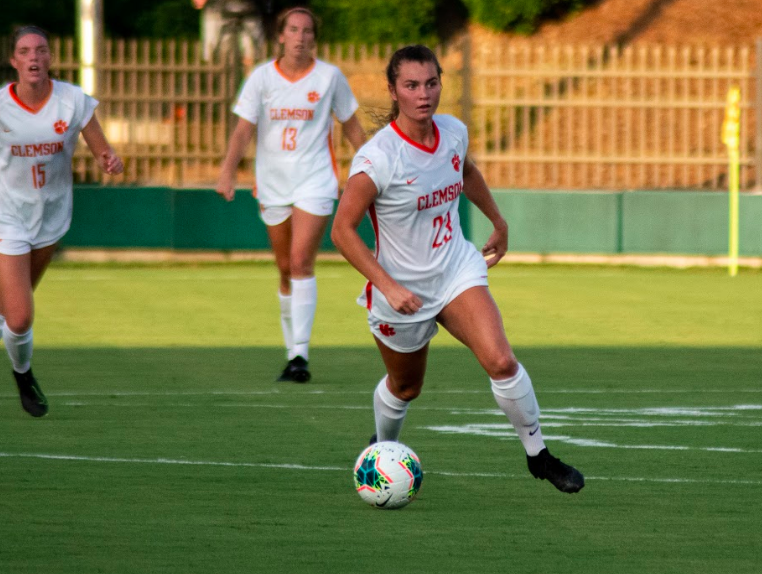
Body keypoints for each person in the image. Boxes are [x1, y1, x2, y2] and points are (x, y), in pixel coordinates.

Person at [331, 45, 585, 493]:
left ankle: (538, 456)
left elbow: (465, 172)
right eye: (411, 85)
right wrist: (388, 287)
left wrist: (498, 220)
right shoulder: (378, 158)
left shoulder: (452, 132)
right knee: (406, 388)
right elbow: (342, 231)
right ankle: (383, 449)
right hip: (401, 291)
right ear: (393, 91)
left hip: (454, 270)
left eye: (431, 82)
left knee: (501, 360)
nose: (423, 94)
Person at [216, 6, 366, 383]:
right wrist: (227, 172)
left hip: (315, 181)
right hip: (272, 183)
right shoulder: (262, 78)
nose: (300, 37)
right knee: (285, 268)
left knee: (301, 261)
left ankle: (300, 356)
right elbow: (241, 131)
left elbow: (352, 127)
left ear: (315, 37)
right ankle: (291, 349)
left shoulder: (330, 77)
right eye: (294, 30)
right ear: (280, 35)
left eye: (307, 31)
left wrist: (369, 171)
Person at [0, 26, 124, 418]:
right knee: (20, 315)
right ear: (14, 61)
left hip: (51, 215)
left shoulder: (72, 101)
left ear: (50, 57)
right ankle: (24, 375)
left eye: (40, 50)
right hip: (7, 215)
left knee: (10, 311)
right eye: (25, 51)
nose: (34, 57)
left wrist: (110, 160)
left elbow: (101, 148)